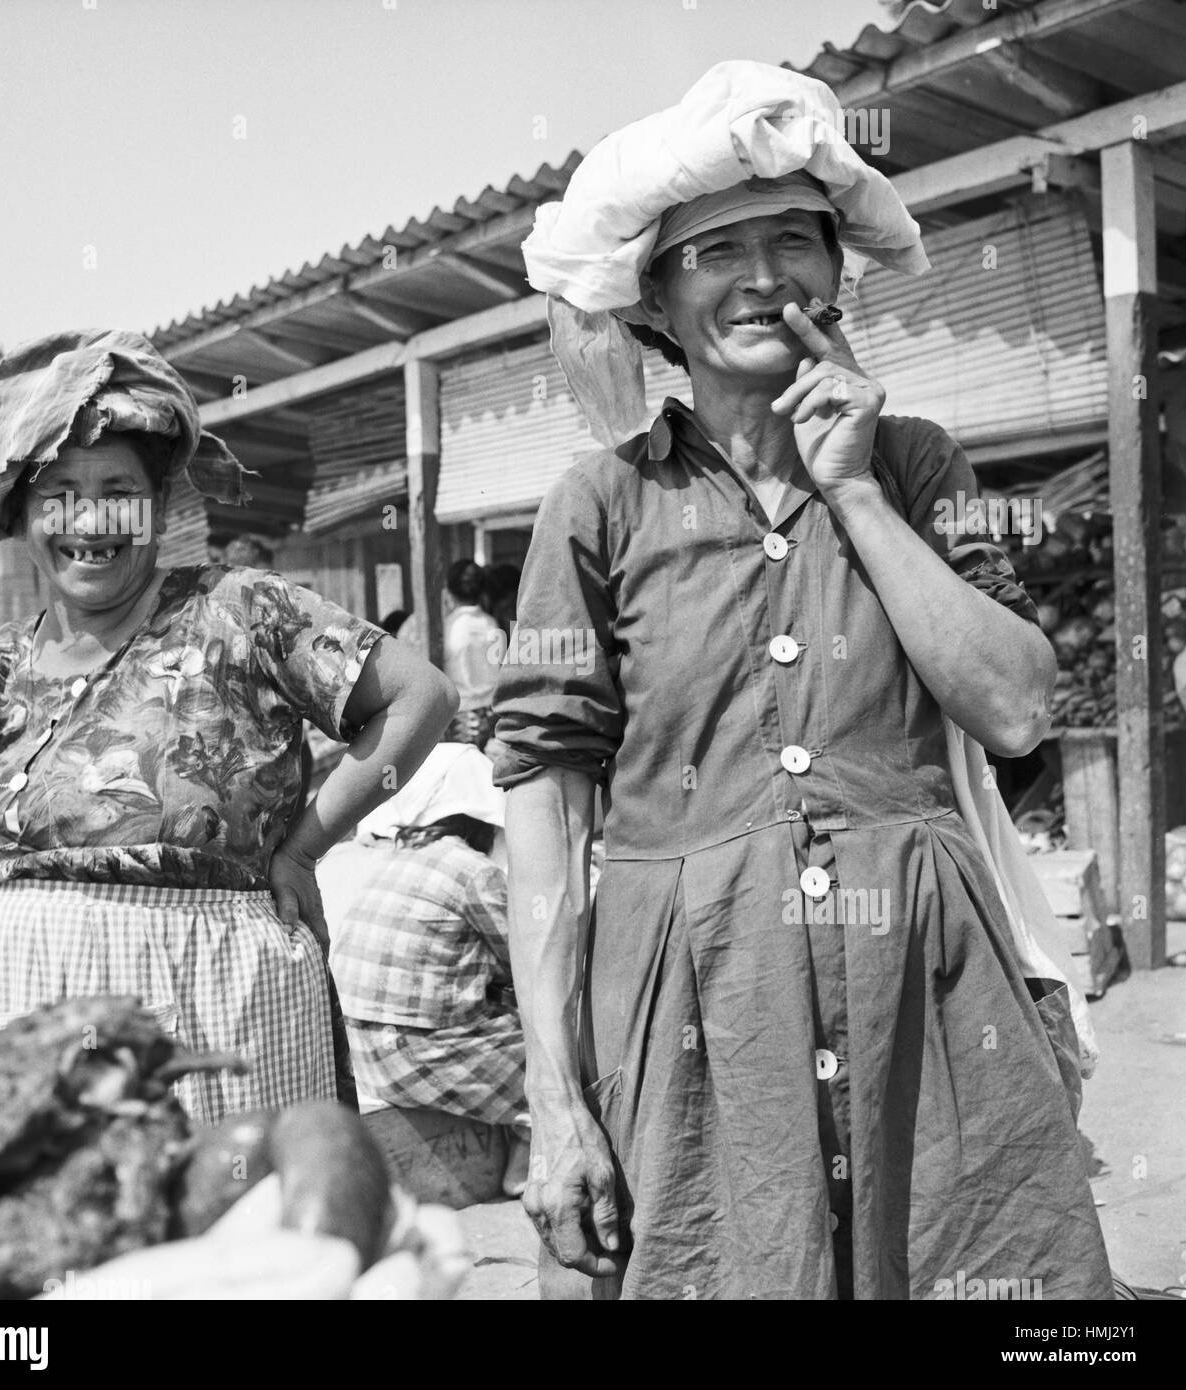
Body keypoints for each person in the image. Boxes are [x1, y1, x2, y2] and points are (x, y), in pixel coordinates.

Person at [493, 62, 1112, 1299]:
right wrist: (555, 1100)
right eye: (717, 248)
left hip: (926, 989)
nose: (763, 275)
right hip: (695, 995)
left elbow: (1015, 706)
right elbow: (546, 814)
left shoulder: (916, 461)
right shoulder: (600, 502)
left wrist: (855, 491)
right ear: (658, 301)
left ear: (838, 274)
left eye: (794, 239)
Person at [0, 328, 458, 1123]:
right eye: (60, 492)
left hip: (202, 1018)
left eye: (118, 492)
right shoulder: (2, 658)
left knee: (210, 1237)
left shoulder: (236, 608)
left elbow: (423, 698)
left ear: (160, 509)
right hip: (2, 1041)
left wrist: (304, 849)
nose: (90, 521)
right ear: (24, 511)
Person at [330, 743, 530, 1196]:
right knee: (561, 1054)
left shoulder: (398, 862)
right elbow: (525, 965)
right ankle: (530, 1155)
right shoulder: (474, 872)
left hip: (364, 1056)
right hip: (417, 1057)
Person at [441, 559, 501, 750]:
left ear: (449, 591)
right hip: (492, 716)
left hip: (460, 717)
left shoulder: (447, 628)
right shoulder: (491, 624)